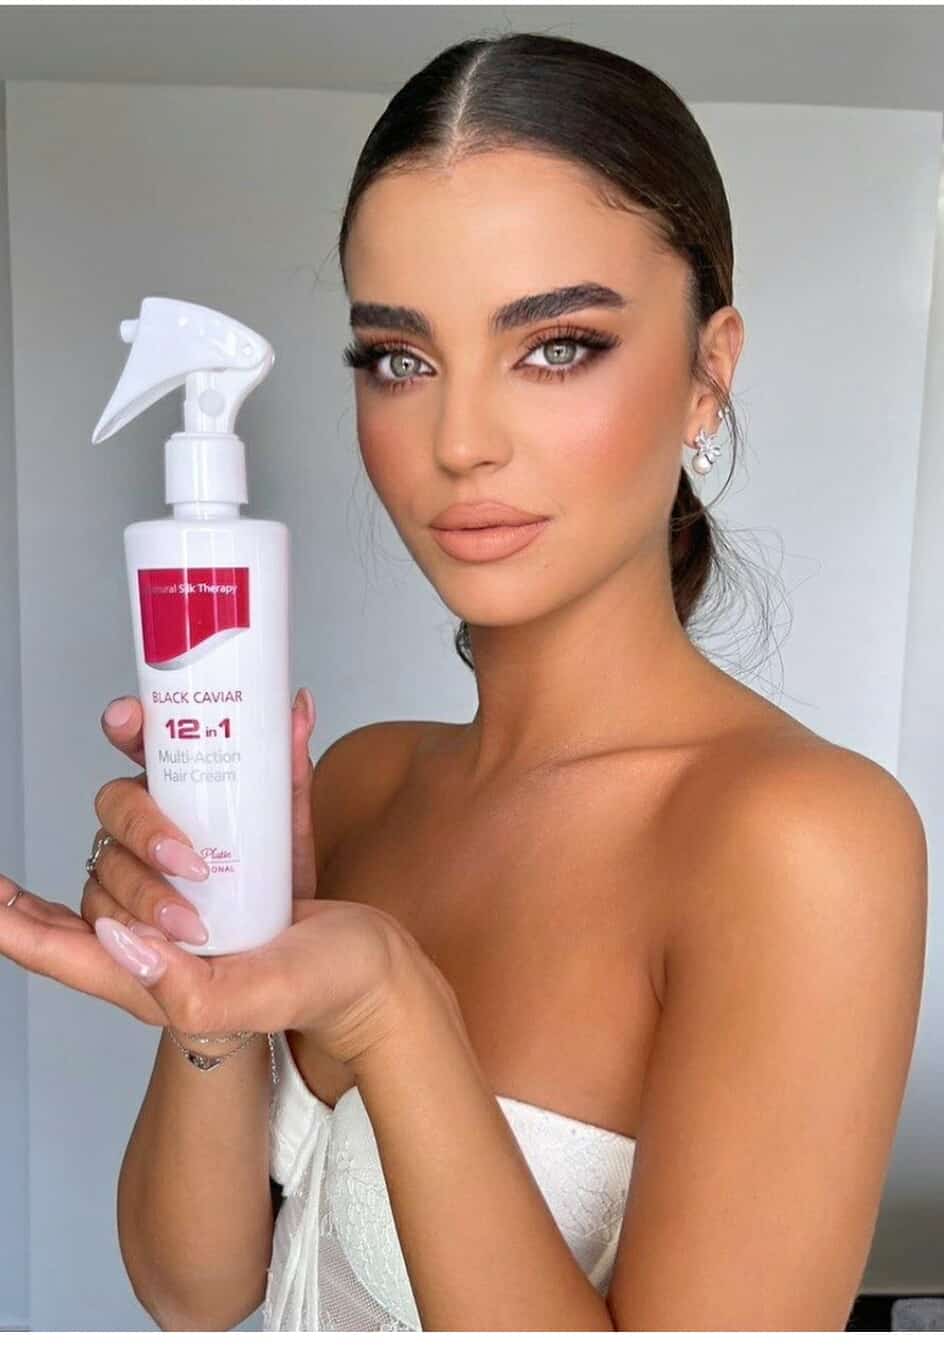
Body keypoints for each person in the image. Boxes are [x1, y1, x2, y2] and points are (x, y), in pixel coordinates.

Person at [1, 30, 928, 1334]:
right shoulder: (363, 780)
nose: (460, 441)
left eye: (556, 346)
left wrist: (394, 1008)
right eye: (401, 358)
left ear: (708, 372)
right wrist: (204, 996)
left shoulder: (801, 842)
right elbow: (195, 1291)